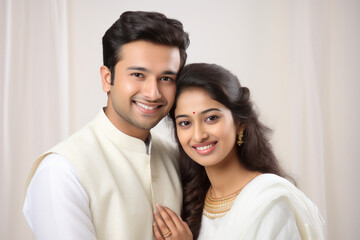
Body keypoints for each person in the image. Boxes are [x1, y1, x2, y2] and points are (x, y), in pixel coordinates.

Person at [23, 11, 190, 240]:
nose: (153, 93)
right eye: (138, 74)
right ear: (107, 79)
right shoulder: (62, 171)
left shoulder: (177, 157)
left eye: (166, 78)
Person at [153, 63, 324, 240]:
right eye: (185, 123)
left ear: (239, 123)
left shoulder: (269, 203)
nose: (198, 136)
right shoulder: (193, 200)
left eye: (211, 118)